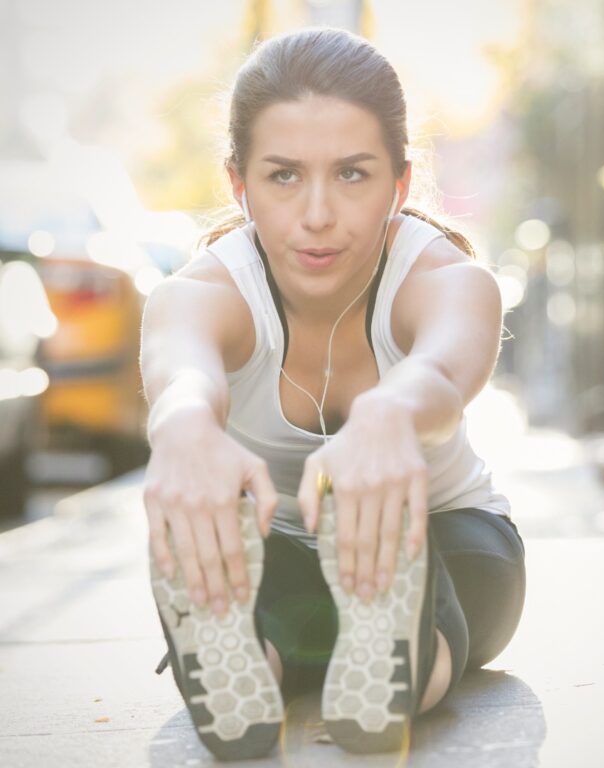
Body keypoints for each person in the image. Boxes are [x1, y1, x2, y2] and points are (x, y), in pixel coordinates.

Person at [140, 26, 526, 761]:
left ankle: (386, 659)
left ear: (401, 183)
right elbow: (180, 370)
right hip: (274, 547)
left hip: (446, 535)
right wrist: (185, 428)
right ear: (239, 183)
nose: (317, 213)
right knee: (264, 576)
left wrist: (389, 412)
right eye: (284, 175)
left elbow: (444, 371)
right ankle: (244, 663)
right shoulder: (203, 291)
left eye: (352, 174)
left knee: (443, 591)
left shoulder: (448, 279)